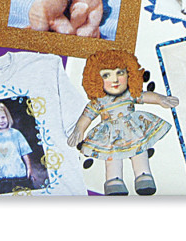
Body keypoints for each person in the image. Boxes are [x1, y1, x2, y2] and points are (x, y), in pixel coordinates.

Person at [67, 51, 178, 195]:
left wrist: (160, 99)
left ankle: (143, 175)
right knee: (111, 155)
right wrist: (79, 129)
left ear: (130, 73)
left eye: (120, 73)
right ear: (95, 78)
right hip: (110, 135)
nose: (115, 80)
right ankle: (114, 181)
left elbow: (144, 96)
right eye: (106, 75)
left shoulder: (129, 94)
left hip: (133, 129)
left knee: (140, 149)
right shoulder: (98, 101)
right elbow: (86, 116)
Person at [0, 101, 34, 193]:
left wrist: (29, 168)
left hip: (20, 176)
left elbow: (25, 153)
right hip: (3, 178)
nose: (1, 121)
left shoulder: (16, 134)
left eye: (3, 117)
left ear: (8, 117)